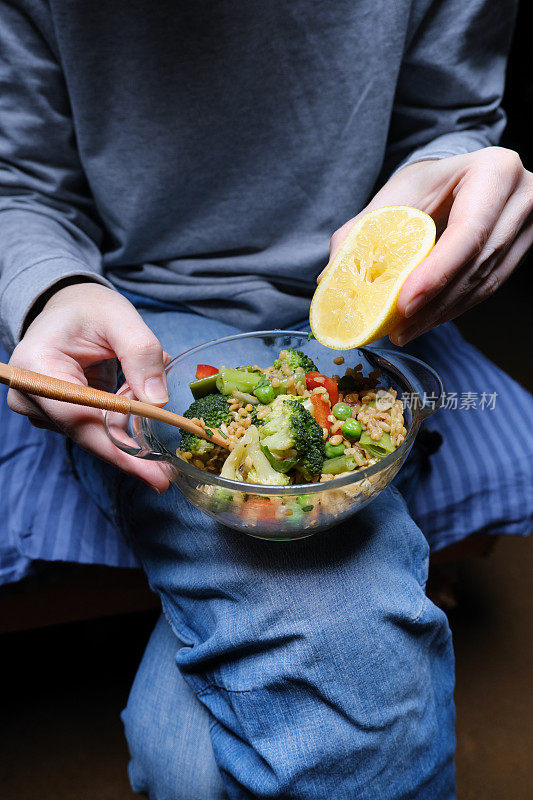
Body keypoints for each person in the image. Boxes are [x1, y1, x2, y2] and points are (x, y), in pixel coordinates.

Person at [0, 2, 531, 798]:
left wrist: (463, 172)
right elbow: (21, 183)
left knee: (184, 765)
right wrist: (53, 291)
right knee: (334, 640)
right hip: (143, 317)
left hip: (363, 316)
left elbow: (450, 120)